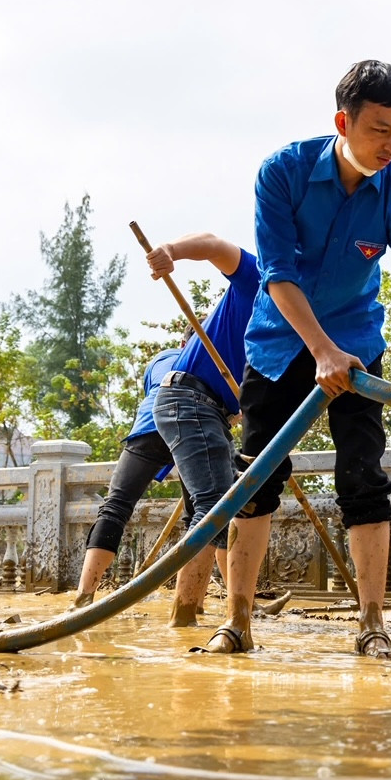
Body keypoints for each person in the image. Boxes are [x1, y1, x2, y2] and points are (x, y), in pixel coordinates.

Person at [226, 59, 391, 660]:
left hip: (358, 348)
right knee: (256, 479)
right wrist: (319, 350)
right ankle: (238, 621)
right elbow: (276, 273)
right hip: (279, 343)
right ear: (343, 121)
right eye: (379, 130)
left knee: (364, 480)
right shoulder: (283, 172)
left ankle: (373, 622)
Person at [146, 233, 264, 630]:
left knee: (212, 505)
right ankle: (182, 615)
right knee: (215, 505)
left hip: (210, 409)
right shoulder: (259, 278)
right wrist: (171, 252)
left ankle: (191, 610)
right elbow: (214, 246)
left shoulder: (295, 323)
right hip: (188, 399)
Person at [72, 341, 193, 608]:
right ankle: (191, 604)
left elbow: (154, 392)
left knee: (115, 506)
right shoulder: (212, 361)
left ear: (183, 342)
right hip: (191, 431)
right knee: (207, 515)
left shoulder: (161, 356)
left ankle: (84, 595)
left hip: (148, 428)